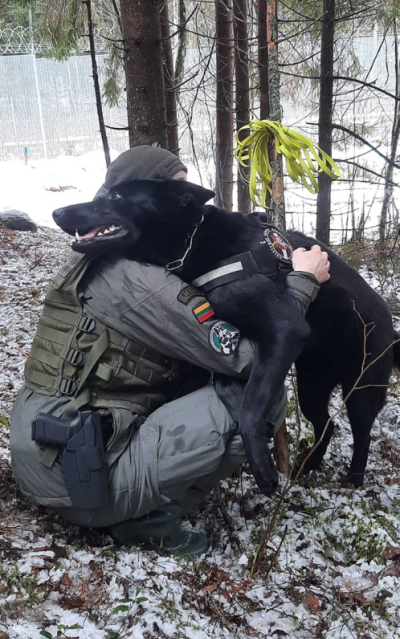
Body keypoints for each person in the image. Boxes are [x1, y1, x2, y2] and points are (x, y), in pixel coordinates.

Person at [10, 146, 330, 556]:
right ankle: (146, 523)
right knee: (263, 397)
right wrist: (302, 283)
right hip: (78, 479)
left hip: (47, 453)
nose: (188, 204)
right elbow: (246, 359)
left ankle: (134, 498)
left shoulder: (103, 250)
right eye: (177, 192)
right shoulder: (137, 282)